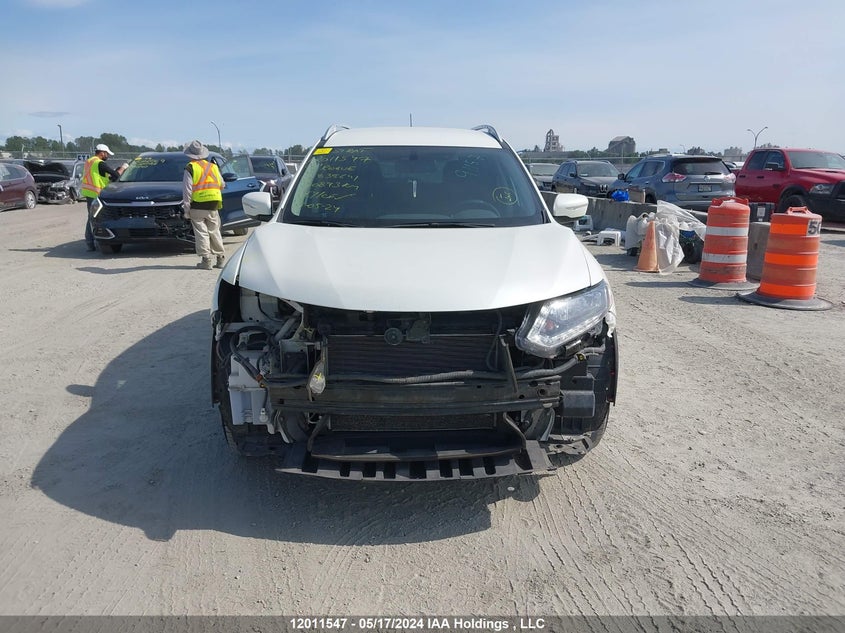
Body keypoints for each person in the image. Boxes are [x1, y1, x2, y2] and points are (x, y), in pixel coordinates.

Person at [182, 140, 226, 270]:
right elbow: (222, 185)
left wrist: (186, 209)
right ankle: (220, 258)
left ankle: (206, 260)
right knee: (214, 231)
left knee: (201, 232)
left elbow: (187, 190)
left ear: (190, 155)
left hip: (197, 205)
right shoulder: (213, 166)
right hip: (214, 204)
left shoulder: (190, 168)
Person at [81, 144, 126, 251]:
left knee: (91, 217)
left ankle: (90, 243)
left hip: (89, 192)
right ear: (102, 153)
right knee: (96, 217)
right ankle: (93, 242)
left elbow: (99, 176)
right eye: (107, 154)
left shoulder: (89, 161)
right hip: (96, 193)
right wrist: (123, 168)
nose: (108, 156)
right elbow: (116, 175)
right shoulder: (100, 163)